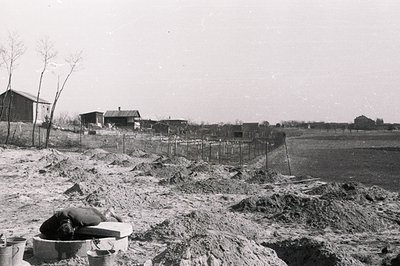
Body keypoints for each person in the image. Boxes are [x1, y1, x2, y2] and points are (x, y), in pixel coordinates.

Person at [40, 207, 122, 240]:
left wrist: (79, 227)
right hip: (71, 212)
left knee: (103, 219)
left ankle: (109, 212)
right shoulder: (56, 219)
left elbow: (97, 220)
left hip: (89, 212)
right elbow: (42, 229)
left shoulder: (82, 220)